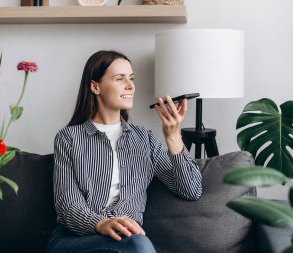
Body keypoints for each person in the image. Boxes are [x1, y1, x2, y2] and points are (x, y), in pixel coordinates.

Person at [46, 50, 202, 253]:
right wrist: (101, 223)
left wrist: (173, 136)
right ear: (95, 86)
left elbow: (191, 190)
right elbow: (68, 205)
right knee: (139, 245)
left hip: (126, 241)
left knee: (136, 244)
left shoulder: (144, 138)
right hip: (75, 240)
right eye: (120, 79)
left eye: (131, 78)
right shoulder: (69, 138)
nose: (130, 85)